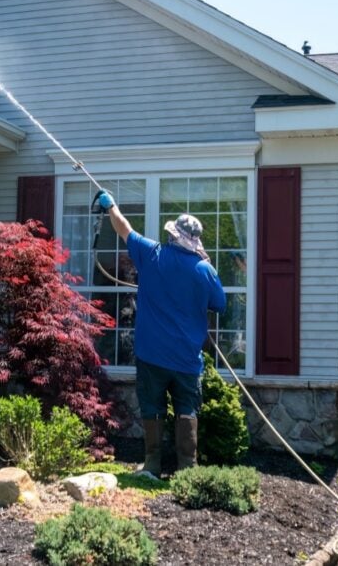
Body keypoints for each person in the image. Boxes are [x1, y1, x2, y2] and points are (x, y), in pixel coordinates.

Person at [96, 190, 226, 477]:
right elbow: (220, 304)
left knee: (152, 407)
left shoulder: (152, 253)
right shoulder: (205, 270)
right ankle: (187, 470)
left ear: (172, 234)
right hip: (186, 360)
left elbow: (124, 229)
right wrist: (203, 264)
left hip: (151, 354)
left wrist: (111, 206)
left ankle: (152, 465)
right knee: (186, 409)